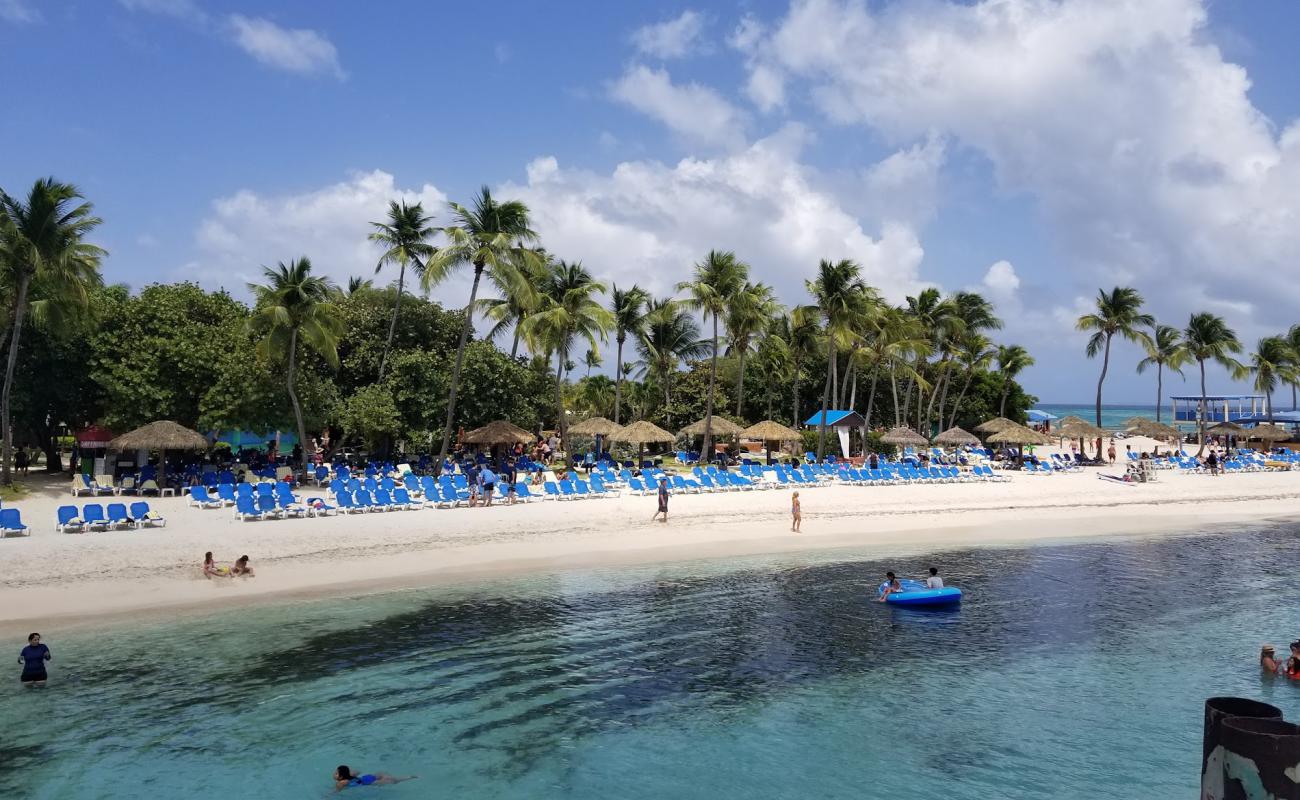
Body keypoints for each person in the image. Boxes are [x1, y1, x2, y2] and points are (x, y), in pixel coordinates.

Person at [333, 765, 417, 792]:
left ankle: (409, 777)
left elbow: (336, 792)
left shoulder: (341, 782)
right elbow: (358, 771)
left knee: (393, 781)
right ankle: (409, 777)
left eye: (336, 773)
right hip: (367, 778)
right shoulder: (350, 775)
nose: (334, 774)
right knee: (384, 775)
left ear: (341, 776)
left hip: (367, 783)